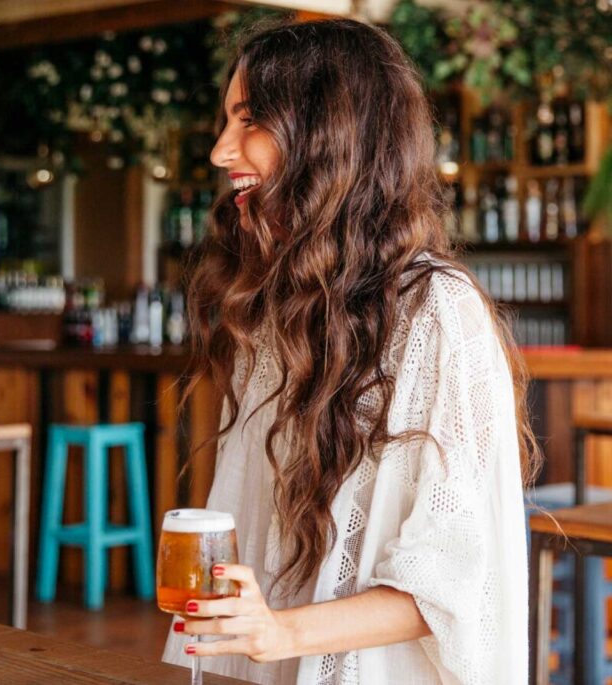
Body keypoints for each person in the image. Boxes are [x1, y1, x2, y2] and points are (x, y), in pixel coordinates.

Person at [164, 19, 539, 684]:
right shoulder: (281, 308)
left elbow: (449, 580)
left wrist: (279, 631)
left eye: (248, 119)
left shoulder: (437, 314)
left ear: (328, 135)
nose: (222, 150)